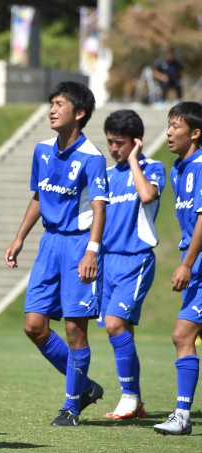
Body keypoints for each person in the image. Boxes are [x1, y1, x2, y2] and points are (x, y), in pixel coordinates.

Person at [4, 81, 109, 427]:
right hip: (49, 244)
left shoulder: (92, 157)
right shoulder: (42, 150)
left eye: (59, 104)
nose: (51, 109)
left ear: (79, 113)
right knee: (33, 325)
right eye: (51, 103)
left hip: (79, 245)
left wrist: (91, 252)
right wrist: (20, 237)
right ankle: (85, 386)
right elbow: (38, 197)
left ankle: (71, 406)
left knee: (75, 330)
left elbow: (99, 209)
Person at [100, 110, 165, 420]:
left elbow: (148, 195)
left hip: (136, 259)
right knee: (122, 330)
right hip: (107, 261)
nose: (115, 149)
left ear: (135, 142)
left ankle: (129, 396)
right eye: (110, 142)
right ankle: (135, 402)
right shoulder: (108, 176)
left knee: (115, 324)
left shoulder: (153, 167)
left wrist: (136, 159)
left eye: (121, 143)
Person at [153, 101, 202, 435]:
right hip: (195, 263)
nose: (168, 132)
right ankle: (182, 417)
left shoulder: (200, 166)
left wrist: (186, 263)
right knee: (183, 335)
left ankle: (182, 417)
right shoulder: (177, 169)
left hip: (198, 264)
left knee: (182, 334)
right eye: (168, 125)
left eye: (175, 126)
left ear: (195, 133)